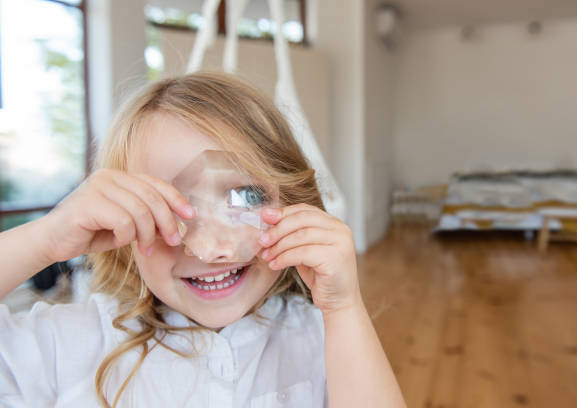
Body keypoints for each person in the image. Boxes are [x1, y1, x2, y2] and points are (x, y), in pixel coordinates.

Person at [0, 72, 406, 408]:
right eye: (168, 207)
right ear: (119, 224)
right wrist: (45, 240)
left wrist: (344, 308)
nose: (214, 250)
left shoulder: (324, 336)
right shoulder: (69, 344)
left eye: (246, 196)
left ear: (291, 200)